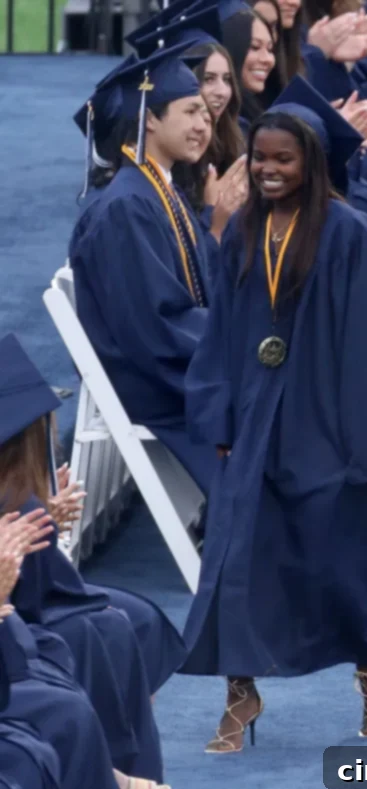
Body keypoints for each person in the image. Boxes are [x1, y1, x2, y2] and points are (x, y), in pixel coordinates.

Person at [179, 80, 367, 752]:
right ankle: (239, 698)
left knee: (336, 567)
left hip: (326, 420)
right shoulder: (241, 232)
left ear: (313, 164)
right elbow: (221, 337)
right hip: (255, 416)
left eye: (283, 160)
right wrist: (223, 423)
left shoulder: (350, 234)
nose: (267, 169)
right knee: (233, 559)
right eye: (259, 157)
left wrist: (365, 445)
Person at [0, 333, 178, 783]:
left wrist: (46, 519)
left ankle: (125, 760)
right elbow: (44, 596)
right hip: (20, 620)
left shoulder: (21, 498)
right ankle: (123, 771)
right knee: (105, 629)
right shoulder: (20, 501)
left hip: (26, 605)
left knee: (133, 618)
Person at [69, 43, 217, 497]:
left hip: (168, 363)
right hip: (157, 382)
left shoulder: (156, 188)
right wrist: (241, 338)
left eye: (206, 115)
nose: (202, 125)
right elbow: (157, 324)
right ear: (150, 118)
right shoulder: (127, 207)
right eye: (191, 110)